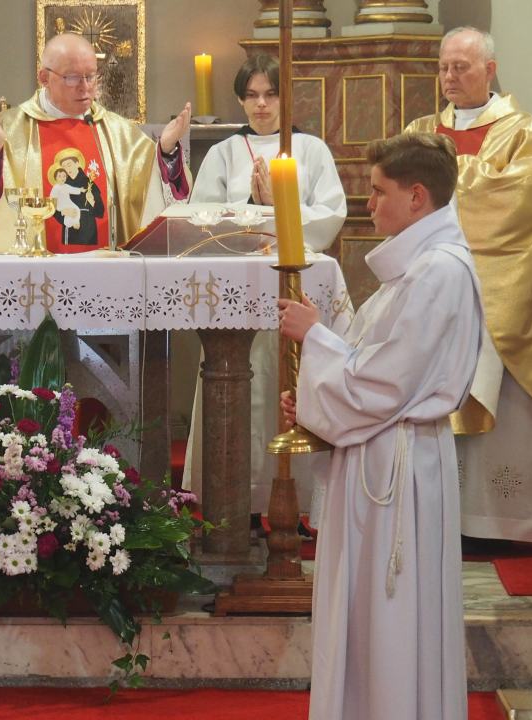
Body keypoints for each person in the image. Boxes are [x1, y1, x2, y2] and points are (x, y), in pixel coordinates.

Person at [278, 133, 480, 719]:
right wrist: (315, 398)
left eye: (378, 191)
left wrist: (315, 341)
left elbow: (386, 384)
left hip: (397, 470)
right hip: (384, 456)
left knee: (392, 617)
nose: (367, 204)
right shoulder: (416, 268)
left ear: (417, 196)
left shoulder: (438, 272)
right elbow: (374, 365)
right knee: (373, 617)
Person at [406, 27, 532, 545]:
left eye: (461, 67)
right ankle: (441, 519)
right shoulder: (419, 132)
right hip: (438, 290)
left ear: (489, 70)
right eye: (443, 67)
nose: (449, 77)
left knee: (508, 409)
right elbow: (404, 199)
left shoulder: (526, 132)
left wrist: (446, 179)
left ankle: (505, 526)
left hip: (508, 288)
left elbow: (517, 204)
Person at [184, 53, 347, 525]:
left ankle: (298, 500)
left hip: (295, 282)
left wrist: (279, 206)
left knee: (292, 383)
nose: (261, 104)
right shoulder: (224, 152)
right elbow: (202, 221)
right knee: (243, 383)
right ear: (239, 99)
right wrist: (250, 204)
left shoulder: (311, 149)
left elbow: (330, 216)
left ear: (286, 97)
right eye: (252, 95)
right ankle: (236, 502)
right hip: (236, 286)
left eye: (271, 94)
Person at [0, 32, 192, 254]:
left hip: (106, 269)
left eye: (91, 76)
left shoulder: (116, 131)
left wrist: (166, 151)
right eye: (72, 78)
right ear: (44, 77)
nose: (85, 87)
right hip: (33, 276)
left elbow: (150, 193)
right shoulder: (8, 127)